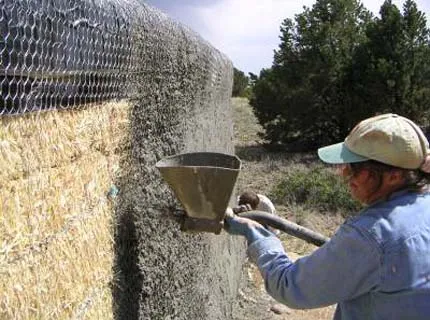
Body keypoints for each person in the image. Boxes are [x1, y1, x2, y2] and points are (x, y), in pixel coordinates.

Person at [224, 113, 430, 319]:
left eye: (355, 167)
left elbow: (288, 285)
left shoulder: (371, 236)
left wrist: (257, 235)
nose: (344, 173)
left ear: (394, 176)